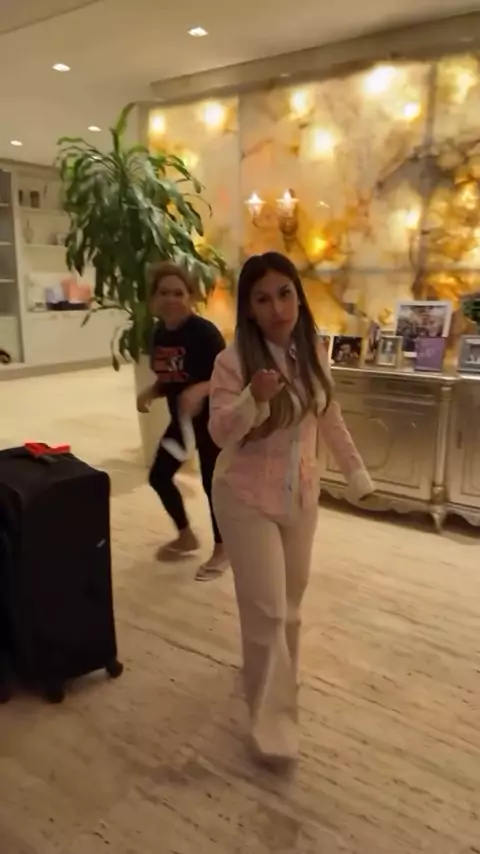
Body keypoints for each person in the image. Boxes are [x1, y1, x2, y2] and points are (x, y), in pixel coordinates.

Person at [208, 251, 373, 766]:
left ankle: (275, 677)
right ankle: (271, 725)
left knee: (291, 606)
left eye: (285, 293)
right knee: (268, 610)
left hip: (301, 495)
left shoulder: (314, 350)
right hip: (243, 497)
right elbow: (219, 433)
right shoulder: (233, 361)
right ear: (249, 309)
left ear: (298, 297)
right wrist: (252, 398)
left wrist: (355, 471)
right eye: (262, 299)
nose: (277, 308)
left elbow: (329, 416)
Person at [137, 261, 228, 581]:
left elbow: (230, 378)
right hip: (184, 423)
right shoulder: (159, 335)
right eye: (164, 293)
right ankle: (186, 535)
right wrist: (153, 390)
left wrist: (202, 389)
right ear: (153, 299)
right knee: (159, 475)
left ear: (190, 297)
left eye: (179, 293)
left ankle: (223, 549)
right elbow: (173, 376)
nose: (172, 299)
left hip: (214, 422)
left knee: (212, 485)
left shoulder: (204, 333)